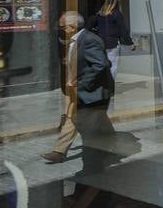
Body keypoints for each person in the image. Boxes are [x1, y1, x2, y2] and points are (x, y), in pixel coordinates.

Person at [43, 12, 117, 169]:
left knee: (82, 119)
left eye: (62, 27)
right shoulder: (75, 39)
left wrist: (82, 82)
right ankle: (59, 152)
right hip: (77, 89)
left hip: (92, 90)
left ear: (72, 27)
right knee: (73, 118)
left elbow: (101, 64)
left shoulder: (90, 40)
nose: (60, 30)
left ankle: (100, 157)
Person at [94, 0, 134, 78]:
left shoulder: (100, 14)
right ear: (117, 3)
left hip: (100, 42)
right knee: (113, 64)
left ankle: (103, 83)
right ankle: (110, 85)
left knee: (102, 64)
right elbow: (123, 30)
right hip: (112, 42)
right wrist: (130, 43)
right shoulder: (117, 14)